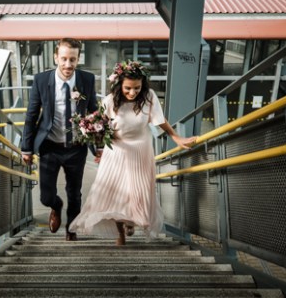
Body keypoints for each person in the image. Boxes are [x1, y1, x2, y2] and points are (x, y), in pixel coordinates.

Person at [68, 60, 197, 245]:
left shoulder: (149, 96)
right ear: (119, 84)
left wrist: (176, 137)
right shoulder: (110, 100)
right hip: (117, 151)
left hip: (141, 150)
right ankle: (120, 233)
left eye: (137, 88)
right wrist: (94, 138)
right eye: (128, 88)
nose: (132, 92)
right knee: (115, 195)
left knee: (137, 194)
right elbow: (100, 124)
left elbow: (160, 120)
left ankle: (131, 220)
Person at [21, 38, 98, 241]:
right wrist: (26, 148)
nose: (68, 64)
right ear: (56, 57)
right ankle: (56, 206)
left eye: (72, 59)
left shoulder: (87, 80)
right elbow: (31, 115)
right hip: (49, 146)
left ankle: (71, 227)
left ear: (78, 59)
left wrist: (98, 146)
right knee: (46, 196)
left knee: (75, 192)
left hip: (76, 146)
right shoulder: (41, 80)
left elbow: (94, 112)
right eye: (63, 59)